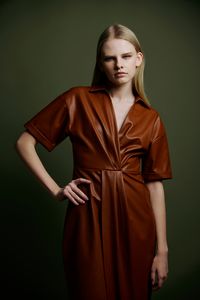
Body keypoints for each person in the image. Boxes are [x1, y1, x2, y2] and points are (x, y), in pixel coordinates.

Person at [15, 23, 173, 300]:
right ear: (100, 63)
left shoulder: (152, 118)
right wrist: (56, 190)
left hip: (137, 224)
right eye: (110, 58)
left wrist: (161, 250)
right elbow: (24, 143)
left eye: (125, 56)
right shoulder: (77, 100)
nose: (118, 65)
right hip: (87, 218)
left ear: (138, 59)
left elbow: (155, 184)